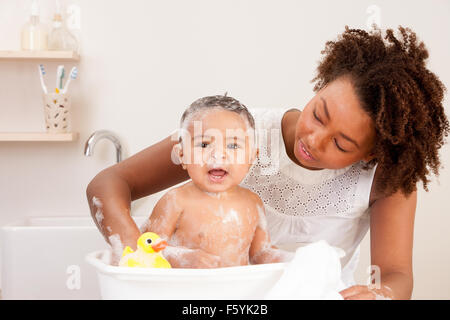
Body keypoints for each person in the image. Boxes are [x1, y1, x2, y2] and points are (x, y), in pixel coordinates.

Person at [86, 26, 449, 299]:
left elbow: (396, 274)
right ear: (321, 84)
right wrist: (139, 258)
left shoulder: (385, 179)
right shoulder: (236, 134)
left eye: (340, 143)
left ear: (371, 154)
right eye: (318, 114)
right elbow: (109, 184)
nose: (312, 140)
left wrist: (379, 294)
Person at [138, 95, 291, 268]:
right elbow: (146, 248)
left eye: (233, 146)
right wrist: (181, 258)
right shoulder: (176, 200)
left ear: (251, 158)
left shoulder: (252, 202)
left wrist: (295, 259)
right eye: (204, 145)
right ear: (182, 155)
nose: (218, 154)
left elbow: (260, 253)